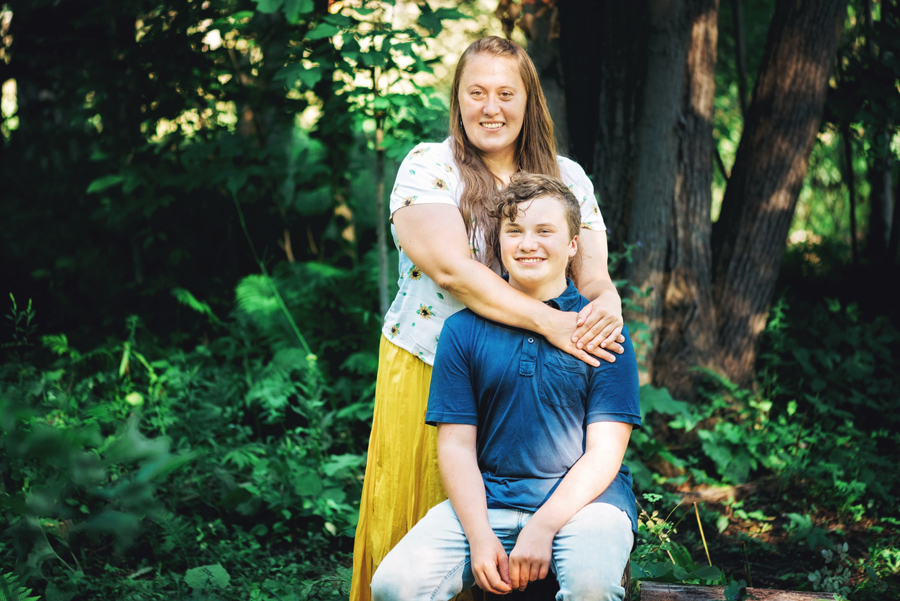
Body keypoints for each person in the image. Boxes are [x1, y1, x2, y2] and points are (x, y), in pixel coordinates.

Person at [350, 36, 625, 601]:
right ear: (458, 99)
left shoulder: (568, 178)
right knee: (433, 529)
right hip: (435, 361)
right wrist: (551, 322)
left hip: (535, 382)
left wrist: (608, 306)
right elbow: (453, 271)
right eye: (476, 93)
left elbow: (593, 277)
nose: (490, 107)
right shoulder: (429, 166)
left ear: (529, 101)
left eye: (506, 93)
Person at [370, 173, 641, 601]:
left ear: (573, 244)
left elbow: (605, 453)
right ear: (498, 243)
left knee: (590, 586)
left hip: (587, 506)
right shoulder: (462, 331)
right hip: (491, 500)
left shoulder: (600, 329)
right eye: (514, 231)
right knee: (393, 585)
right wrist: (479, 536)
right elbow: (456, 446)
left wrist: (543, 526)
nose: (528, 244)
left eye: (544, 231)